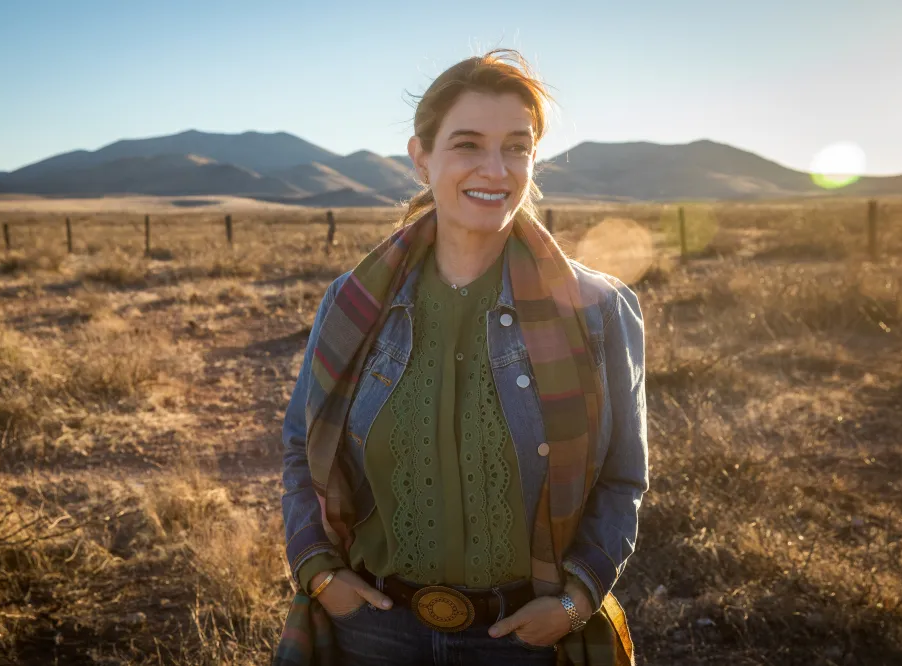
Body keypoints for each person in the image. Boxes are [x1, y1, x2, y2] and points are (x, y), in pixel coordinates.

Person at [273, 49, 647, 666]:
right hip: (372, 631)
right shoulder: (354, 302)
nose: (495, 170)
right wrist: (318, 572)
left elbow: (622, 477)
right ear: (422, 157)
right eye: (468, 144)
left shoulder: (598, 309)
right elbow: (301, 447)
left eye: (516, 147)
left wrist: (575, 601)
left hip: (525, 637)